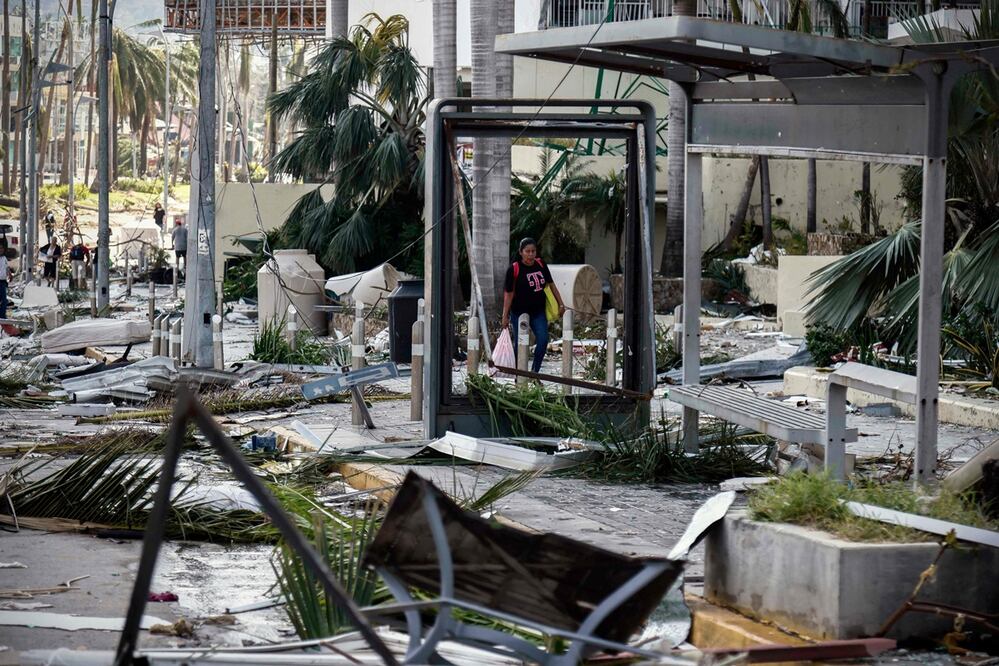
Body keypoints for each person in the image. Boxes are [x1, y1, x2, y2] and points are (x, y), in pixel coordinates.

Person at [500, 237, 566, 374]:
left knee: (542, 340)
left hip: (538, 312)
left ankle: (534, 373)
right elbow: (508, 294)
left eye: (533, 251)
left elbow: (551, 285)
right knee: (521, 345)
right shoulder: (514, 269)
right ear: (521, 252)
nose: (530, 254)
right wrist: (505, 315)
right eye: (527, 251)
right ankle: (520, 375)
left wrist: (561, 304)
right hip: (519, 313)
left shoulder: (541, 264)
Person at [0, 239, 10, 319]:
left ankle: (2, 315)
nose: (1, 250)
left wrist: (10, 274)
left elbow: (7, 267)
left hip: (3, 281)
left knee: (4, 300)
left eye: (2, 248)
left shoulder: (4, 258)